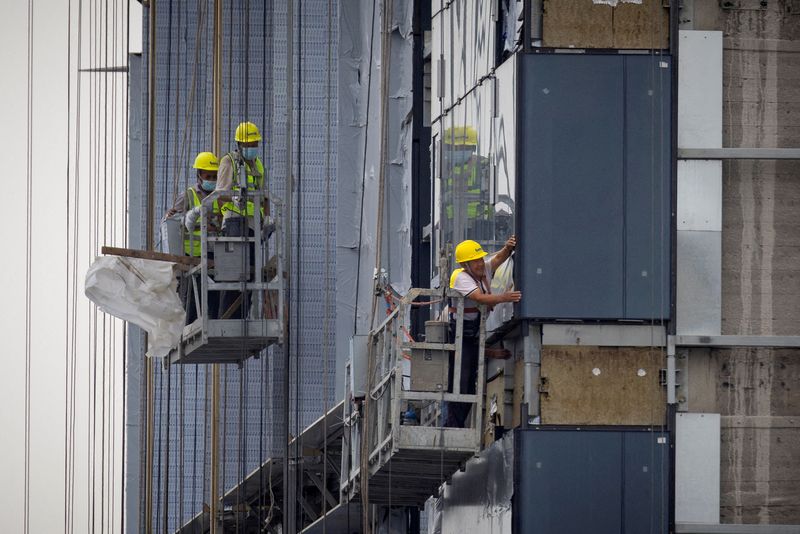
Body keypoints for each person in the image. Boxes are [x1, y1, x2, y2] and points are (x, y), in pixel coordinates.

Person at [444, 236, 521, 428]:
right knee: (460, 384)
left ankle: (457, 425)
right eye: (475, 261)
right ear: (466, 264)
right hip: (458, 335)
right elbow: (479, 297)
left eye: (480, 259)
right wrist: (505, 297)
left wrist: (508, 248)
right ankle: (453, 426)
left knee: (469, 384)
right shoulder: (460, 277)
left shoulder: (482, 270)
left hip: (472, 335)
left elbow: (497, 260)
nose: (480, 264)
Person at [215, 121, 271, 318]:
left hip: (252, 225)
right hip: (234, 223)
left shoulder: (258, 165)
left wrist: (267, 218)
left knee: (250, 274)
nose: (252, 148)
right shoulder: (228, 161)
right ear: (239, 144)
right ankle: (227, 317)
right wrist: (235, 197)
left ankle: (242, 317)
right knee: (233, 273)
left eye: (255, 144)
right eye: (249, 145)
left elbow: (264, 195)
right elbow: (220, 194)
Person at [165, 151, 222, 323]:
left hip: (214, 254)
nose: (211, 179)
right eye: (208, 175)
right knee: (191, 298)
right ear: (199, 175)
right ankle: (188, 327)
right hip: (192, 256)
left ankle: (213, 323)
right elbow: (172, 223)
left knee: (215, 296)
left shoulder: (221, 196)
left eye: (214, 176)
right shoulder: (188, 196)